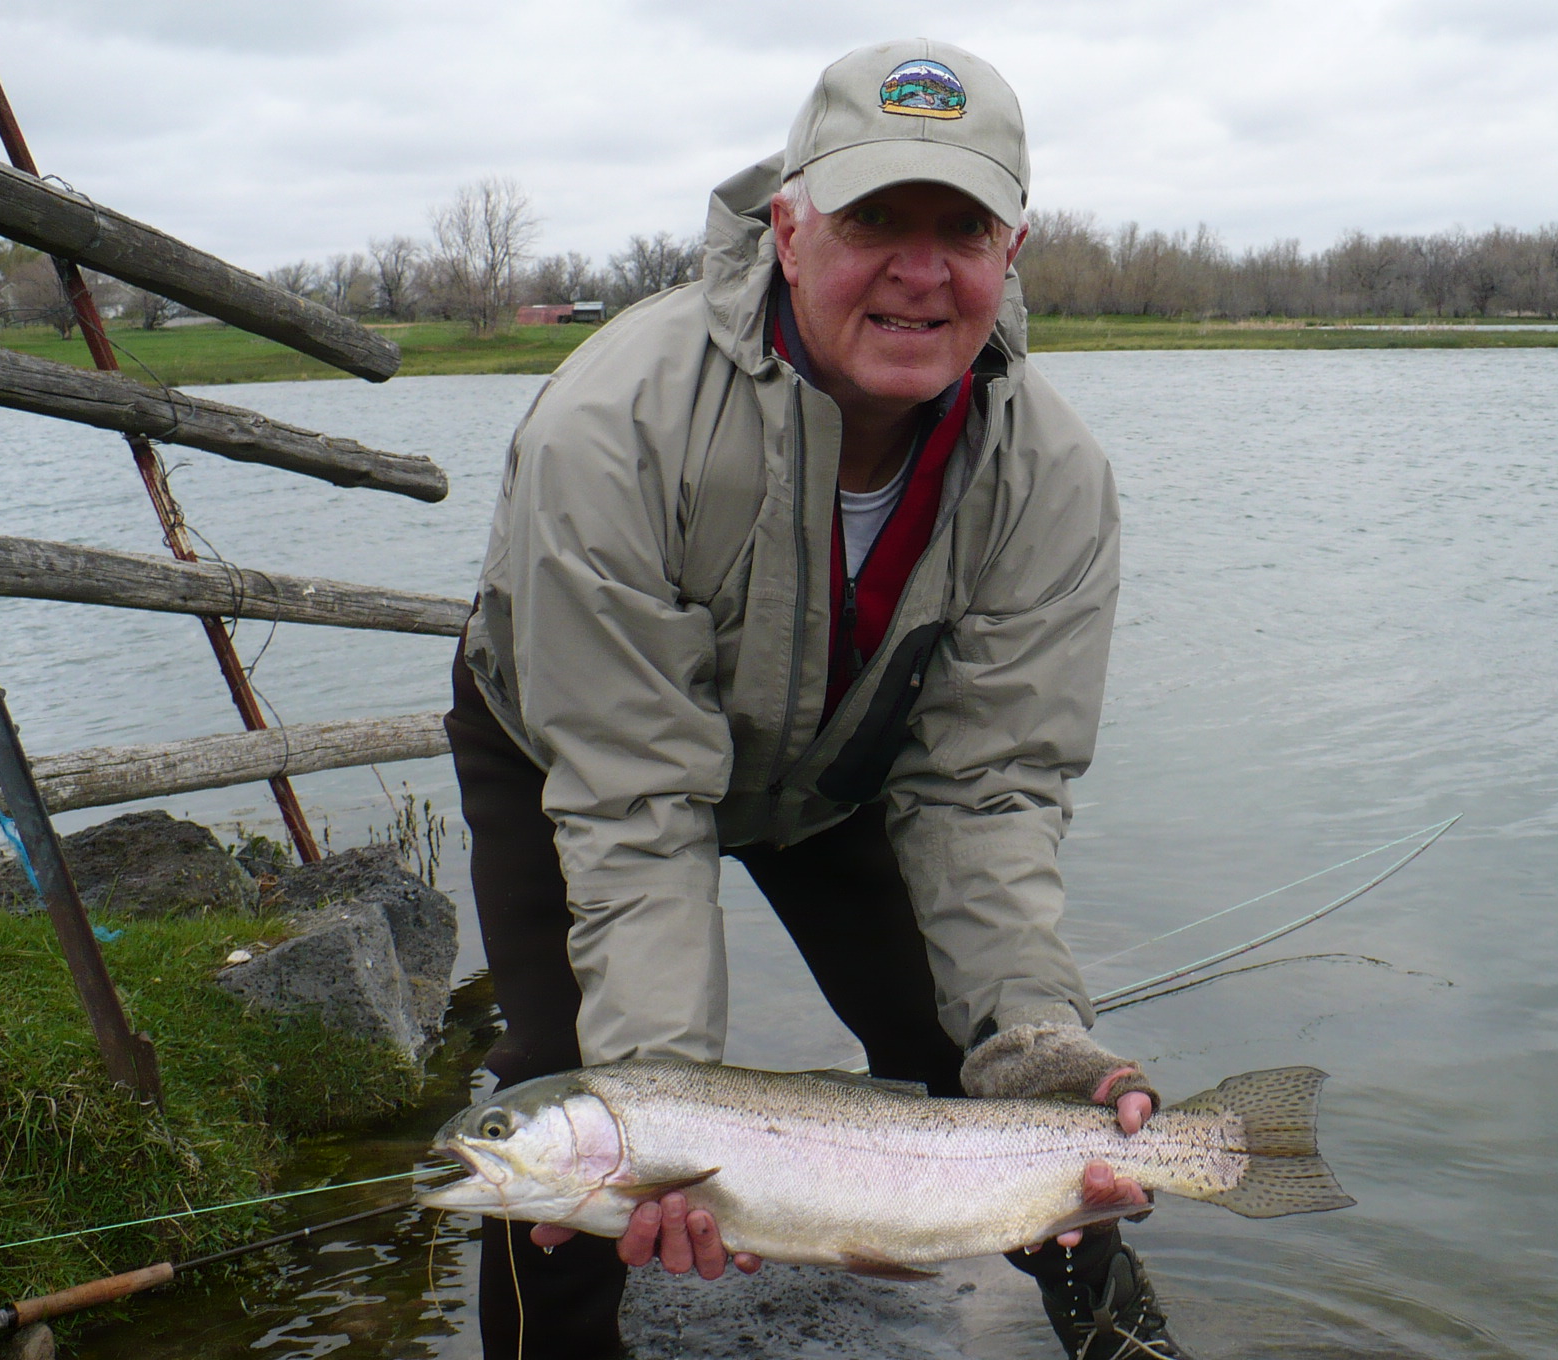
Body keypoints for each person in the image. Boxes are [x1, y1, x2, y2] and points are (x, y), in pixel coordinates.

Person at [446, 38, 1194, 1360]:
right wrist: (663, 1119)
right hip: (575, 754)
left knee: (1009, 1089)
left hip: (855, 761)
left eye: (960, 228)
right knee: (567, 1130)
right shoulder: (611, 427)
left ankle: (1122, 1344)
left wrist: (1034, 1029)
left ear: (1011, 251)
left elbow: (990, 786)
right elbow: (634, 801)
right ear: (786, 229)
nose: (920, 271)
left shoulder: (1054, 476)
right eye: (873, 222)